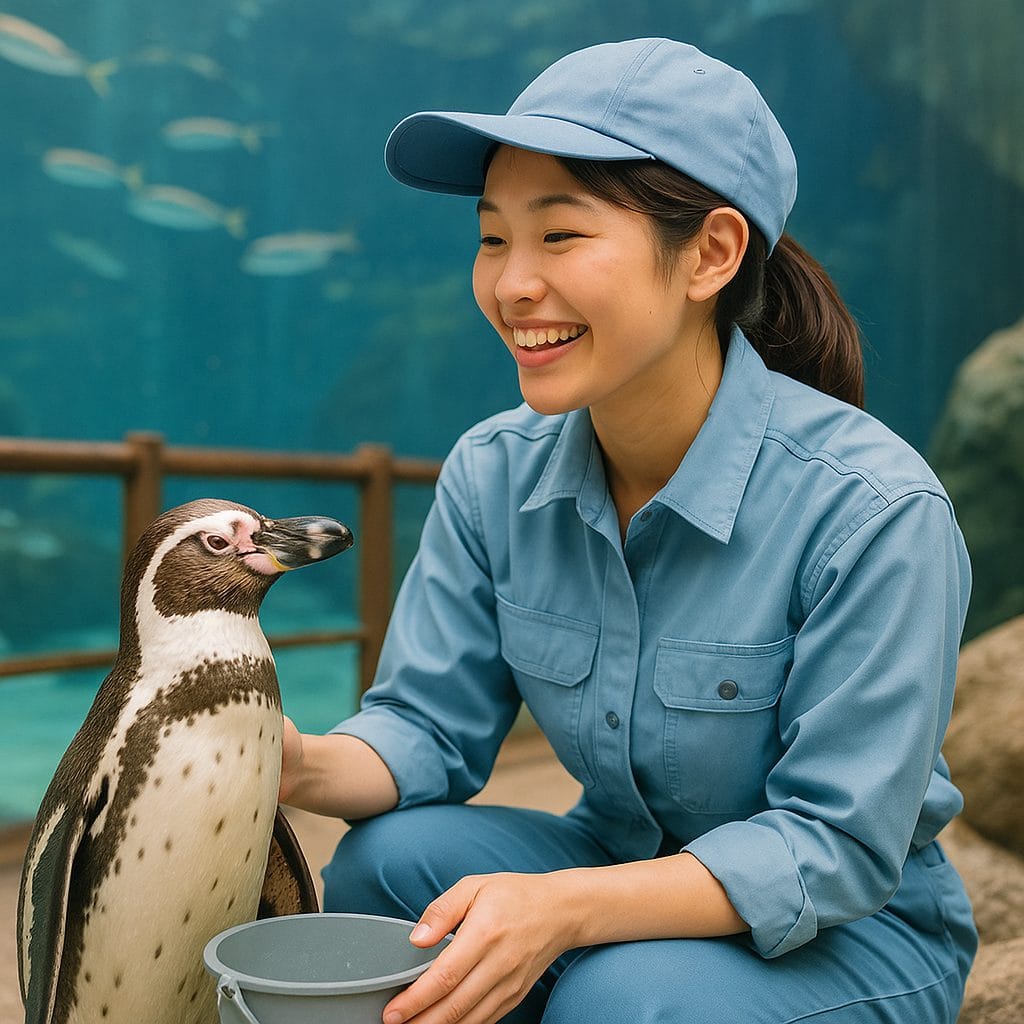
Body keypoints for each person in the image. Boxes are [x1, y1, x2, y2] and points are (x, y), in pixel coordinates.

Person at [279, 37, 977, 1024]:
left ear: (711, 253)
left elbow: (831, 847)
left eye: (559, 237)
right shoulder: (493, 470)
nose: (512, 284)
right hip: (617, 863)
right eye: (491, 238)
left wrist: (562, 911)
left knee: (620, 996)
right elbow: (427, 726)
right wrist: (290, 760)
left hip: (854, 933)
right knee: (389, 868)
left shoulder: (872, 510)